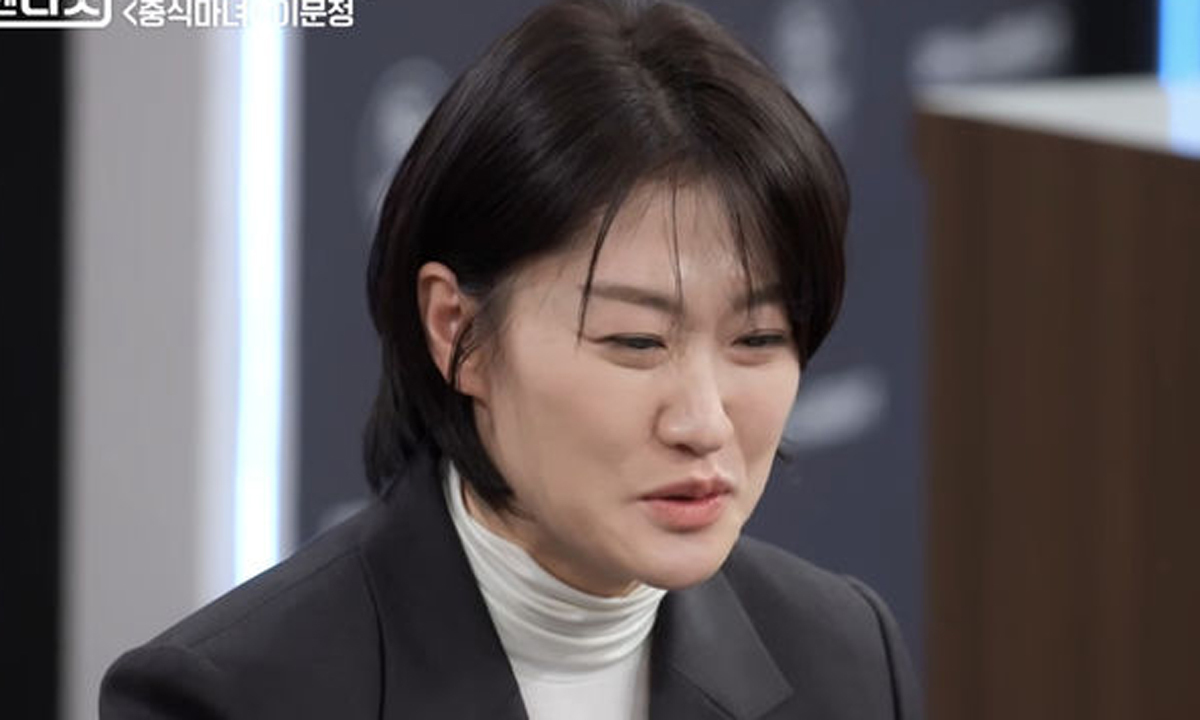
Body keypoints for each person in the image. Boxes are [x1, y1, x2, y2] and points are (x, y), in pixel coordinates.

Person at [100, 1, 921, 718]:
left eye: (757, 340)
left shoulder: (845, 657)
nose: (704, 422)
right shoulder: (233, 696)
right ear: (457, 330)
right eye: (635, 341)